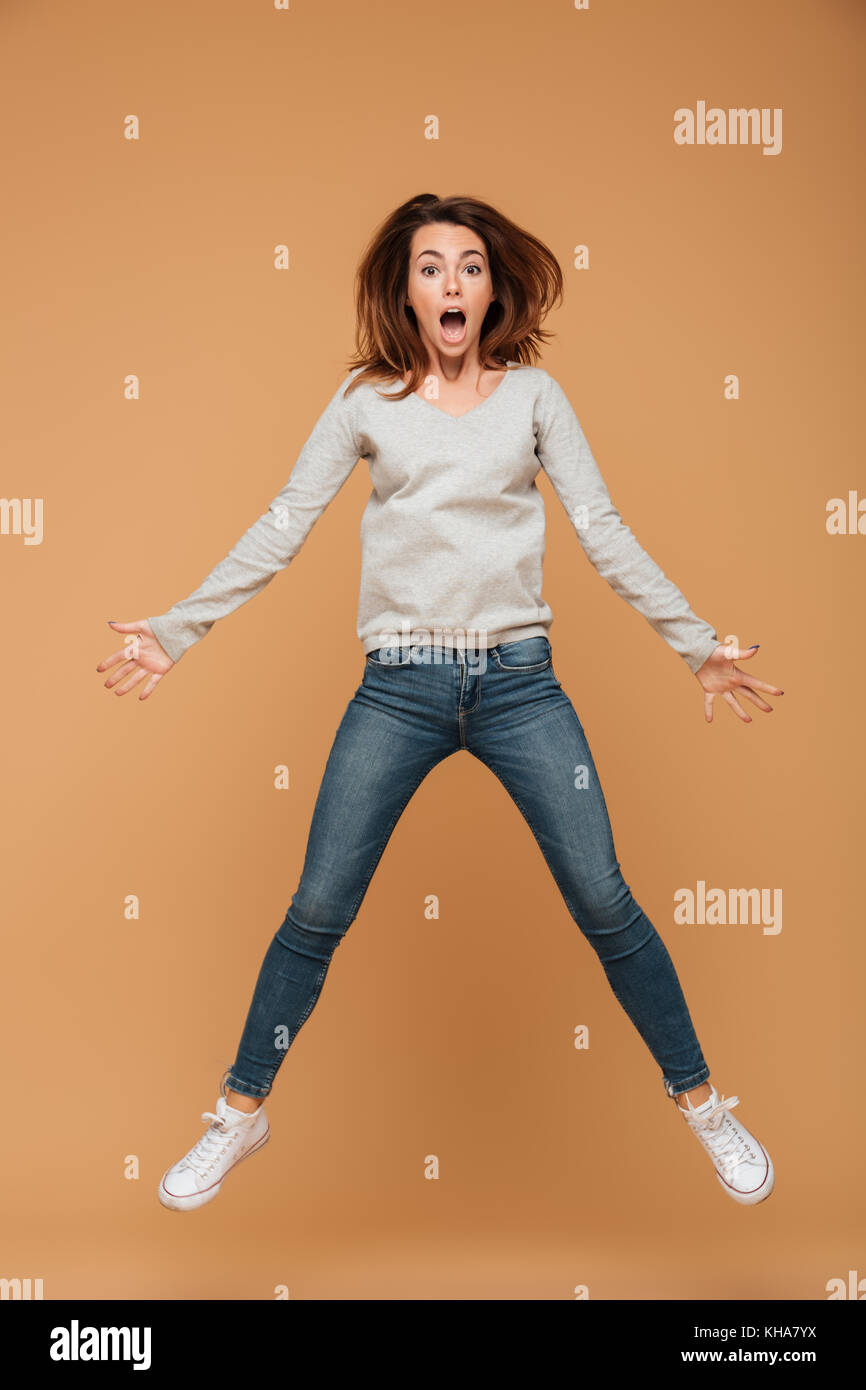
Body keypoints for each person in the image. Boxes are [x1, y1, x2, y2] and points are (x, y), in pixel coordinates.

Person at [96, 193, 782, 1213]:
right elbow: (282, 523)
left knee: (602, 899)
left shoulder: (535, 399)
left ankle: (703, 1103)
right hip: (399, 688)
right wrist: (177, 628)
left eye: (467, 265)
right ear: (405, 290)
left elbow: (602, 529)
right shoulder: (366, 403)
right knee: (318, 907)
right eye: (430, 267)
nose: (451, 283)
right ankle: (239, 1115)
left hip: (517, 684)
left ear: (490, 286)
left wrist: (694, 643)